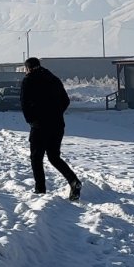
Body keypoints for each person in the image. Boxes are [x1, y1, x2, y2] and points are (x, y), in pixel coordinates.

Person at [19, 57, 82, 200]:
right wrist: (56, 113)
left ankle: (40, 190)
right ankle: (74, 181)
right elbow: (66, 100)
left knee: (36, 158)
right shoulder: (53, 78)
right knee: (54, 157)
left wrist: (32, 120)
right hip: (57, 125)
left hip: (40, 126)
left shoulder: (28, 80)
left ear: (28, 68)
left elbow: (24, 103)